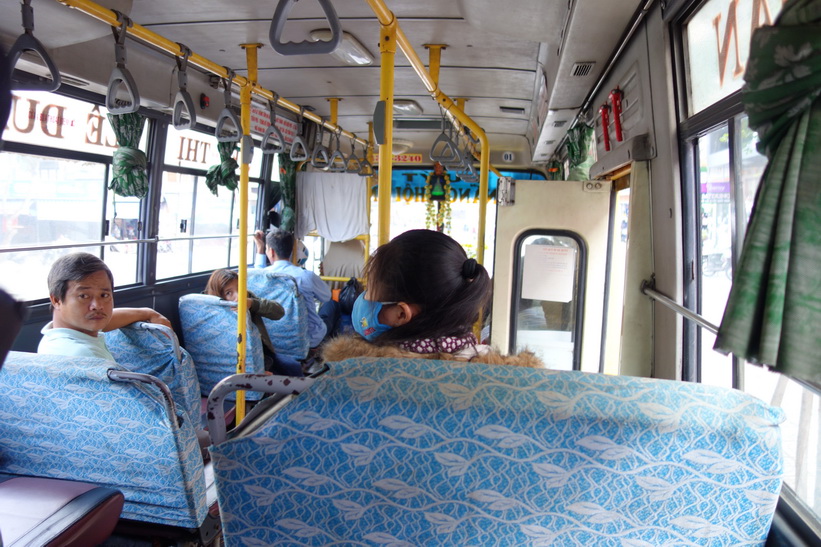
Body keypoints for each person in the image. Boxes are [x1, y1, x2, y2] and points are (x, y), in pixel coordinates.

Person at [321, 229, 542, 367]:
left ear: (401, 313)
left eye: (369, 292)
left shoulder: (351, 371)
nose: (363, 300)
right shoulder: (509, 377)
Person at [38, 252, 171, 360]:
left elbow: (106, 321)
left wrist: (147, 313)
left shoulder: (53, 337)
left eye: (104, 295)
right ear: (56, 300)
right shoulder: (87, 356)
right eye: (84, 296)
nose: (97, 306)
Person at [204, 269, 303, 376]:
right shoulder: (210, 313)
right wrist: (254, 371)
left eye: (239, 289)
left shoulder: (248, 297)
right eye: (229, 293)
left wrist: (253, 304)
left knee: (294, 367)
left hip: (262, 354)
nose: (238, 297)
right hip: (237, 363)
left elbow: (279, 312)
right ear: (219, 296)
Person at [256, 230, 332, 349]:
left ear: (270, 251)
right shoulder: (305, 276)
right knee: (332, 306)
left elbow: (258, 270)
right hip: (307, 339)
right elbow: (326, 296)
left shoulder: (259, 277)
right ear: (292, 250)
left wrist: (260, 249)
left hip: (270, 338)